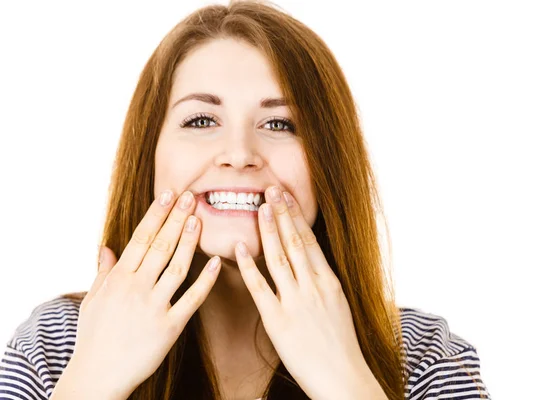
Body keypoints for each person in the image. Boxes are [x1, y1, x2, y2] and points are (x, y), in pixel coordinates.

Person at [0, 1, 491, 399]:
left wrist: (345, 381)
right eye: (200, 121)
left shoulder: (424, 357)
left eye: (279, 124)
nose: (239, 155)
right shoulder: (56, 345)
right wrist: (91, 383)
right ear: (149, 156)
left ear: (329, 165)